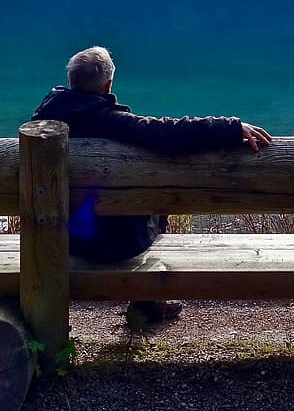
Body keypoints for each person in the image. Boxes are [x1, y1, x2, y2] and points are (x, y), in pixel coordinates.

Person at [30, 45, 272, 326]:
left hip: (57, 238)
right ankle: (147, 302)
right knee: (155, 203)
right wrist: (232, 127)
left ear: (71, 82)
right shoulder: (112, 123)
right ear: (108, 85)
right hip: (114, 246)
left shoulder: (42, 121)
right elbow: (168, 133)